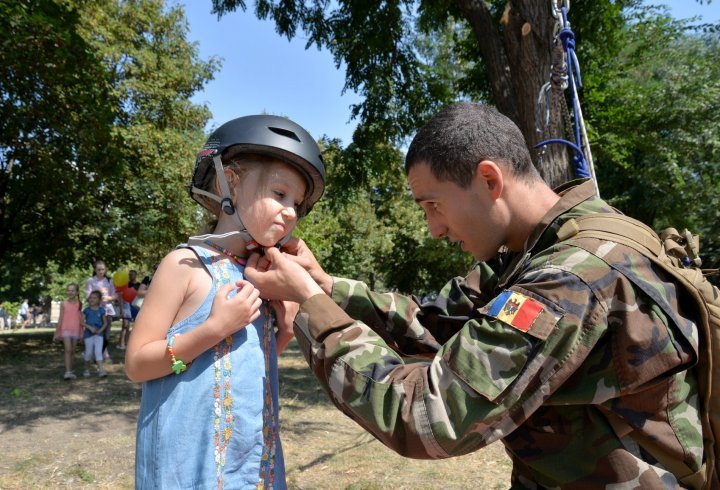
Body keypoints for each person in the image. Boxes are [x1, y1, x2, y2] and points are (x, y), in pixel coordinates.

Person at [245, 102, 705, 488]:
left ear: (489, 179)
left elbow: (425, 414)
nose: (435, 229)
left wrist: (310, 305)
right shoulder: (540, 251)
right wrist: (327, 288)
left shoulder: (571, 279)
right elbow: (432, 324)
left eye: (433, 205)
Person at [125, 114, 326, 489]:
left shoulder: (259, 274)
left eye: (298, 204)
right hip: (189, 469)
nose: (291, 212)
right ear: (227, 183)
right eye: (280, 194)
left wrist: (283, 327)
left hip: (251, 466)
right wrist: (215, 327)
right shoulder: (183, 265)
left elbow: (246, 364)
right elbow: (137, 364)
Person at [85, 260, 116, 359]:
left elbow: (115, 295)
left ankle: (101, 352)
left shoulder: (109, 281)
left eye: (103, 269)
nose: (101, 271)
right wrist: (96, 299)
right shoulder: (90, 281)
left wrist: (107, 298)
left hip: (107, 310)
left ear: (106, 269)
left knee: (106, 335)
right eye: (98, 269)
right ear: (95, 270)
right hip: (95, 311)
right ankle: (98, 354)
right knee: (96, 332)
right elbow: (87, 296)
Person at [54, 283, 84, 380]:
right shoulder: (63, 303)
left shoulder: (79, 304)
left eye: (72, 290)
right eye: (68, 290)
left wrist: (82, 332)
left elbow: (80, 318)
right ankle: (67, 372)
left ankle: (70, 370)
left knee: (73, 351)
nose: (70, 292)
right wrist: (56, 332)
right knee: (68, 350)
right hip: (65, 329)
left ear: (77, 292)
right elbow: (60, 318)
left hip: (76, 329)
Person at [82, 290, 109, 378]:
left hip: (99, 335)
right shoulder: (86, 310)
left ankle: (101, 370)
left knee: (98, 352)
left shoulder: (102, 310)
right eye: (90, 298)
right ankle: (86, 369)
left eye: (94, 298)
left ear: (99, 300)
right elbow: (82, 322)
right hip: (88, 335)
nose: (91, 299)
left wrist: (100, 331)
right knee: (88, 353)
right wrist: (90, 327)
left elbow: (105, 323)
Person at [118, 270, 140, 350]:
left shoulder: (139, 285)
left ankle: (129, 343)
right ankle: (121, 343)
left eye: (133, 274)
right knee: (125, 326)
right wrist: (121, 308)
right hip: (126, 306)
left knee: (136, 326)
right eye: (130, 275)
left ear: (136, 275)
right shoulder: (125, 285)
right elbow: (120, 296)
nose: (131, 276)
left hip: (135, 307)